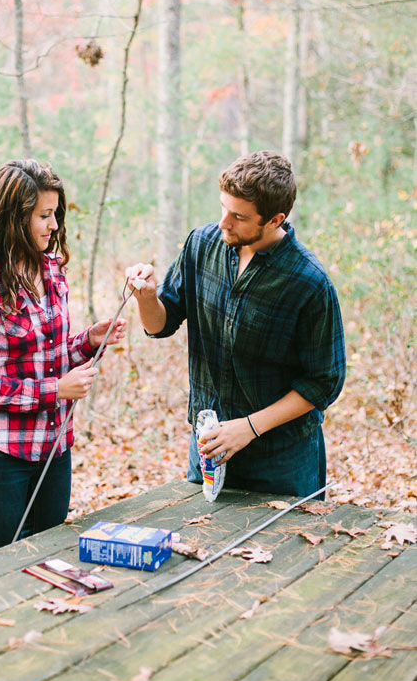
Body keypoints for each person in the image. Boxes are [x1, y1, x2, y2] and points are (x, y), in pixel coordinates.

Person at [126, 151, 345, 499]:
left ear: (275, 219)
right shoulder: (201, 244)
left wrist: (249, 428)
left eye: (239, 216)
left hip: (282, 460)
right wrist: (147, 298)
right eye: (223, 208)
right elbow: (160, 325)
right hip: (209, 446)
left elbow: (323, 383)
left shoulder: (309, 283)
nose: (224, 222)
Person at [0, 159, 125, 555]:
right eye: (44, 216)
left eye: (55, 214)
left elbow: (45, 356)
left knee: (49, 564)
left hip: (54, 448)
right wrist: (56, 389)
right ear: (13, 219)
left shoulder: (52, 271)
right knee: (1, 576)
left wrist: (88, 341)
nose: (54, 226)